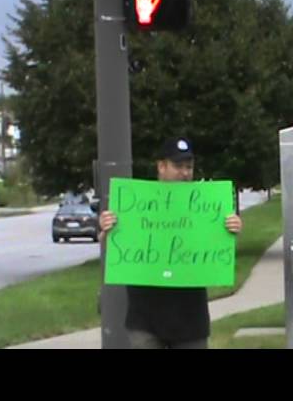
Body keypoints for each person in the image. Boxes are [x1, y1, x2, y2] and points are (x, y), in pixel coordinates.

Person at [99, 136, 243, 349]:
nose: (185, 173)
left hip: (190, 319)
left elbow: (219, 252)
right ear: (161, 166)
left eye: (189, 167)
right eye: (178, 166)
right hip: (145, 318)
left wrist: (231, 230)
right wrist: (107, 232)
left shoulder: (205, 208)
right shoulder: (135, 204)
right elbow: (115, 248)